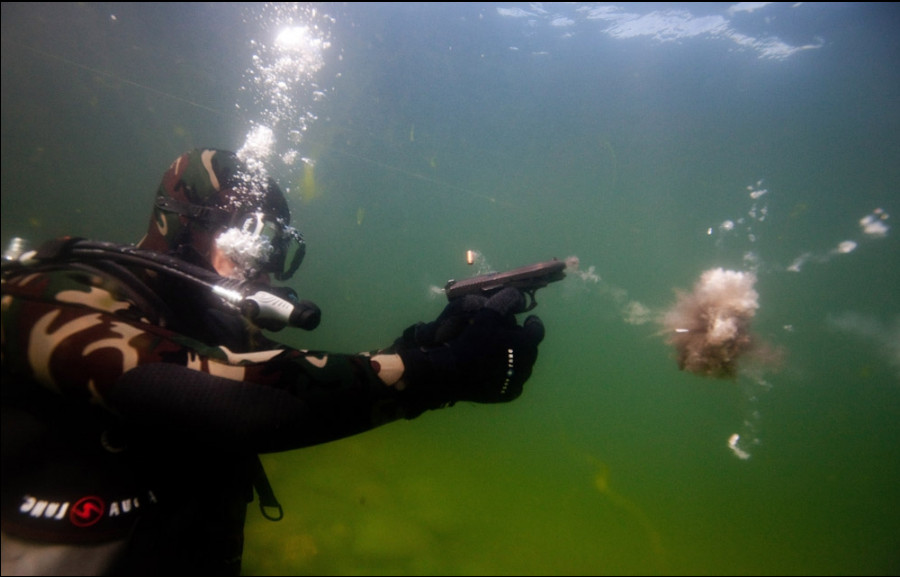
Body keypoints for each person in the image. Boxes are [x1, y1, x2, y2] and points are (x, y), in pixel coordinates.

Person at [0, 148, 546, 575]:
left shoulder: (212, 333)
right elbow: (243, 398)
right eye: (252, 240)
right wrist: (443, 370)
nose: (264, 266)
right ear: (182, 223)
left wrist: (423, 347)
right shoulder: (51, 296)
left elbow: (294, 379)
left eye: (278, 247)